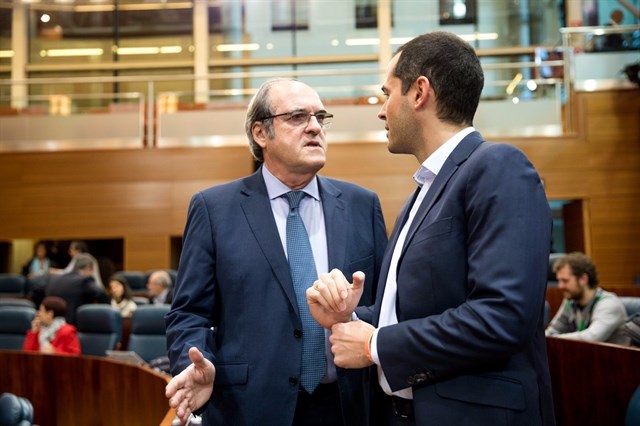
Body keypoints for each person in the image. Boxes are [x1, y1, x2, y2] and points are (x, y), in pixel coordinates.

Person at [306, 31, 555, 425]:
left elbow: (503, 315)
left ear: (419, 92)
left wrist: (374, 345)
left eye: (387, 93)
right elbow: (416, 310)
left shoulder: (498, 166)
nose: (381, 110)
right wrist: (351, 318)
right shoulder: (423, 190)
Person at [164, 77, 388, 425]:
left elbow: (385, 307)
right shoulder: (214, 209)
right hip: (248, 407)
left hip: (348, 406)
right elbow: (188, 313)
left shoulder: (362, 204)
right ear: (260, 133)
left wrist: (351, 317)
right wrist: (195, 363)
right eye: (298, 117)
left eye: (320, 117)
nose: (315, 127)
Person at [545, 252, 630, 345]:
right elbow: (553, 331)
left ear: (583, 279)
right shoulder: (570, 301)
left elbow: (591, 338)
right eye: (559, 281)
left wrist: (553, 339)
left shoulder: (609, 304)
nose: (560, 286)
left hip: (613, 358)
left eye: (565, 281)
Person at [31, 253, 109, 325]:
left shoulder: (53, 278)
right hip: (73, 327)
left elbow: (36, 291)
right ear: (88, 269)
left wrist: (42, 311)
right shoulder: (84, 280)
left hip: (49, 326)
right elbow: (101, 294)